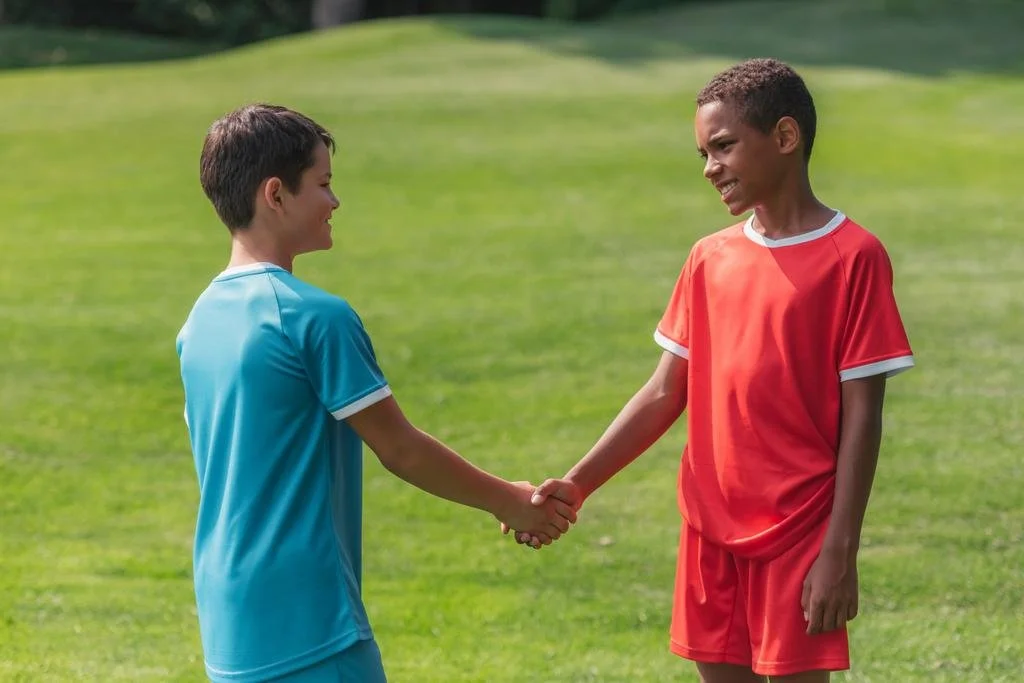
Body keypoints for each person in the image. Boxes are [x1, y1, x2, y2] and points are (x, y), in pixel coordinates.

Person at [517, 58, 915, 682]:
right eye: (703, 152)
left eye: (724, 147)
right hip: (709, 532)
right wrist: (579, 482)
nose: (709, 168)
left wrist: (840, 549)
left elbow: (864, 417)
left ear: (785, 138)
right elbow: (662, 392)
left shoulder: (854, 257)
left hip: (801, 532)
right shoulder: (709, 257)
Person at [176, 103, 576, 683]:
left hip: (228, 609)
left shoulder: (198, 323)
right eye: (323, 184)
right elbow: (401, 449)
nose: (334, 202)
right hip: (309, 617)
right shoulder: (313, 318)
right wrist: (510, 501)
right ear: (275, 194)